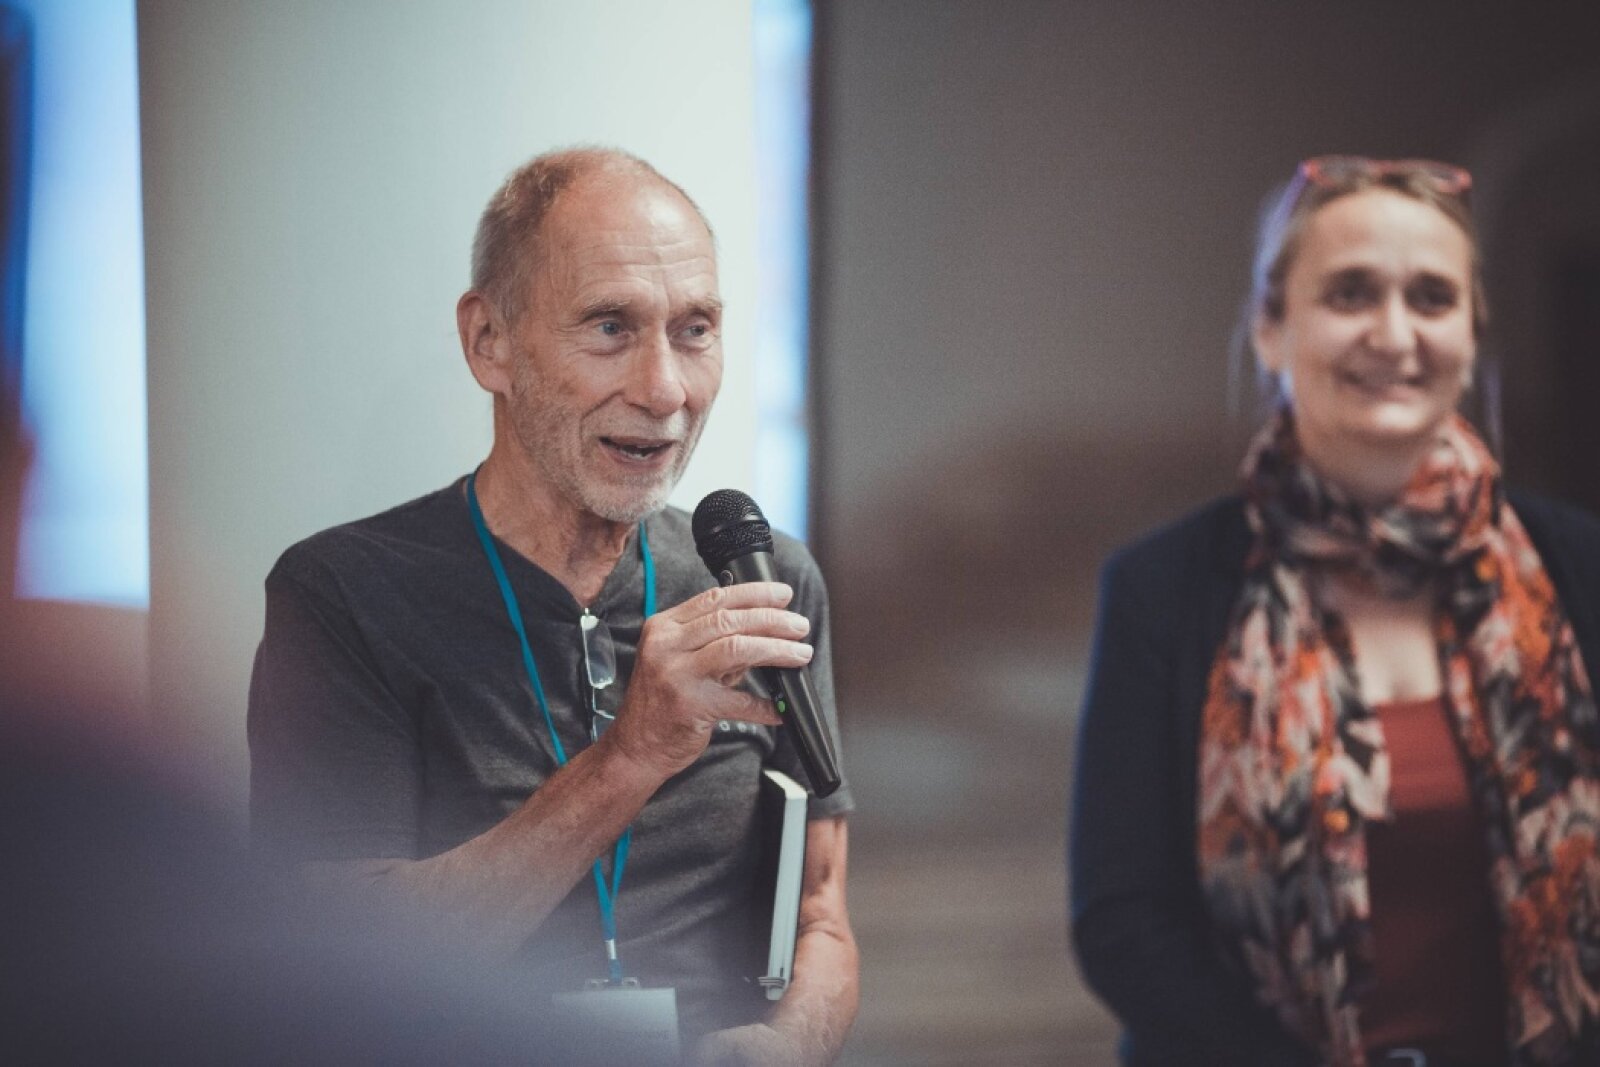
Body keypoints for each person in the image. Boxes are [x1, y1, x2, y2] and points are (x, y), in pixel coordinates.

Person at [248, 148, 858, 1065]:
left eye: (695, 329)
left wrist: (792, 1043)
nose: (665, 389)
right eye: (610, 326)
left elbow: (824, 911)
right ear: (488, 340)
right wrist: (631, 757)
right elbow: (339, 968)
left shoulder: (762, 582)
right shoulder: (342, 593)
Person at [1070, 156, 1600, 1067]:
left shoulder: (1579, 564)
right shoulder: (1162, 587)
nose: (1394, 335)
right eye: (1351, 293)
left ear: (1472, 333)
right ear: (1270, 329)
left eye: (1432, 298)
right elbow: (1123, 922)